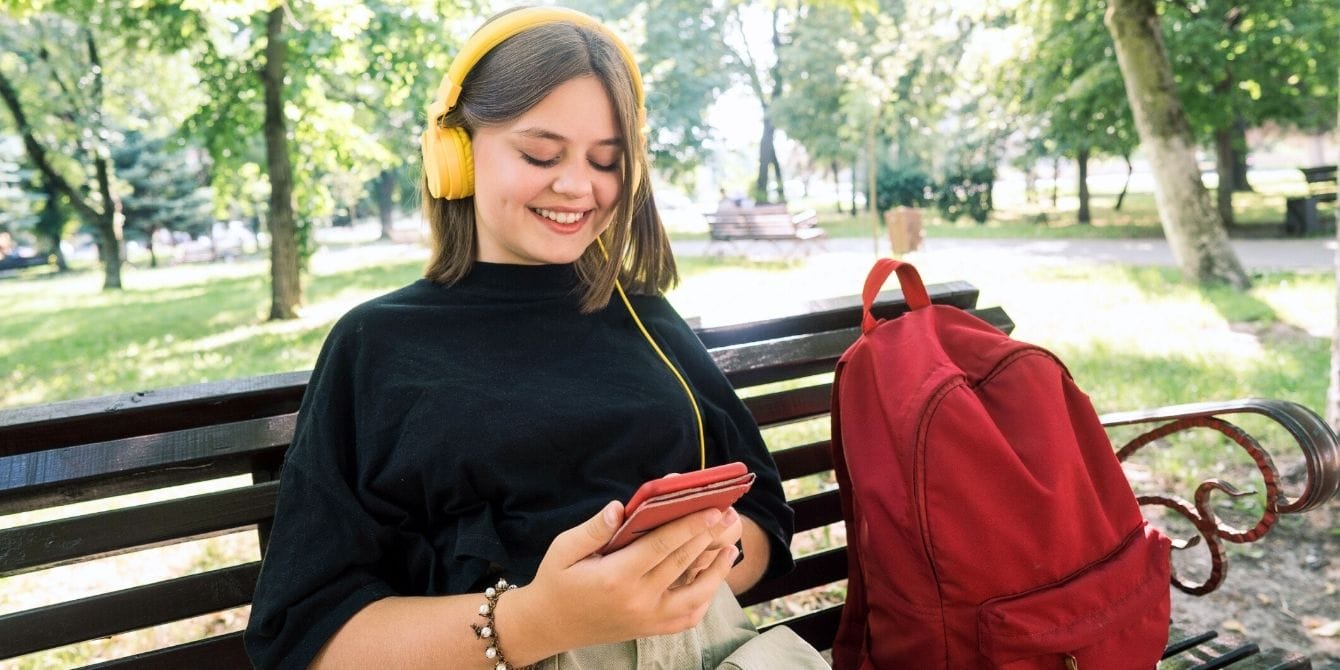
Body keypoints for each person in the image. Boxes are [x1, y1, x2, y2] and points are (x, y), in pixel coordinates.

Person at [243, 7, 826, 669]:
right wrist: (533, 621)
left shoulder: (643, 316)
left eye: (607, 161)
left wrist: (700, 558)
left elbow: (766, 523)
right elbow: (303, 638)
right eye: (540, 154)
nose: (578, 185)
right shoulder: (376, 345)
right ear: (454, 152)